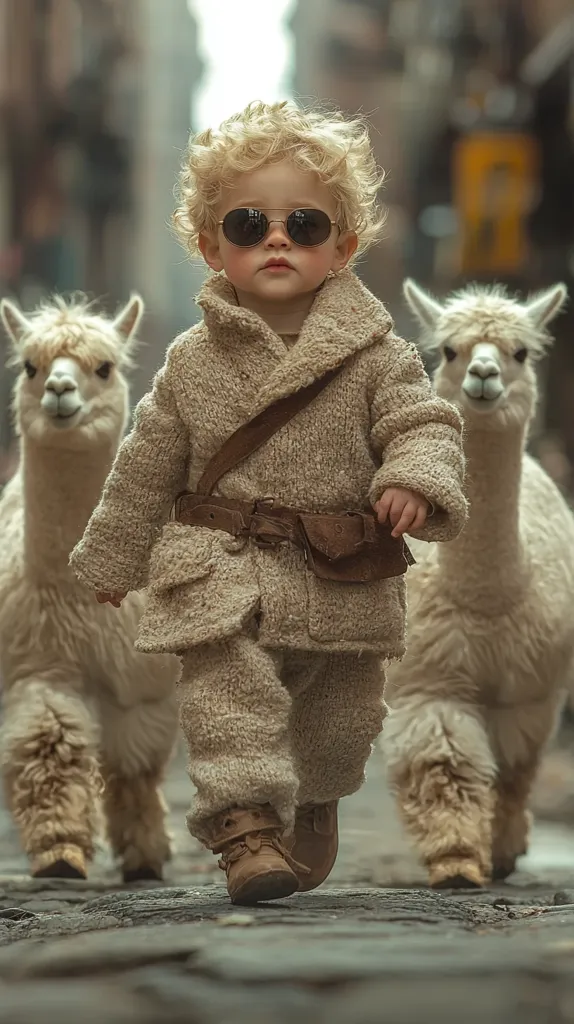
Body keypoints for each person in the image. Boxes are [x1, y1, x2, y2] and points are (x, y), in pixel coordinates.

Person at [70, 100, 467, 905]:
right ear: (214, 247)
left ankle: (313, 795)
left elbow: (422, 422)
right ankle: (244, 827)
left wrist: (412, 480)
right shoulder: (190, 361)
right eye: (249, 224)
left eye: (305, 225)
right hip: (220, 566)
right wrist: (114, 558)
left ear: (343, 246)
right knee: (227, 697)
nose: (277, 239)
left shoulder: (380, 353)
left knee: (340, 716)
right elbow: (146, 465)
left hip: (339, 566)